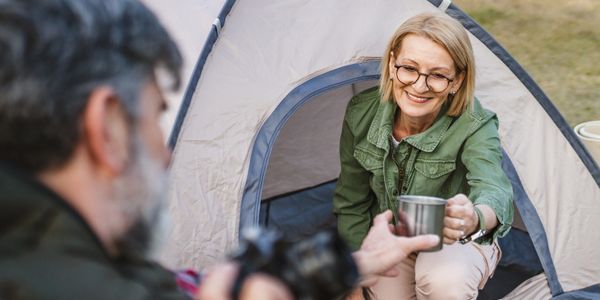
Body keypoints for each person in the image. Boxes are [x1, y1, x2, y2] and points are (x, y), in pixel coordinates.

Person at [0, 0, 439, 299]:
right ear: (108, 128)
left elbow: (190, 287)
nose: (165, 153)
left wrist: (359, 261)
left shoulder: (65, 260)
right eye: (156, 116)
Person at [333, 12, 514, 300]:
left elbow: (495, 189)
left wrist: (474, 218)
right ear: (392, 64)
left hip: (458, 242)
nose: (419, 86)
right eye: (409, 68)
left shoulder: (475, 123)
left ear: (457, 80)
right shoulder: (360, 113)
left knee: (443, 281)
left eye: (438, 75)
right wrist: (354, 279)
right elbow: (351, 203)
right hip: (395, 238)